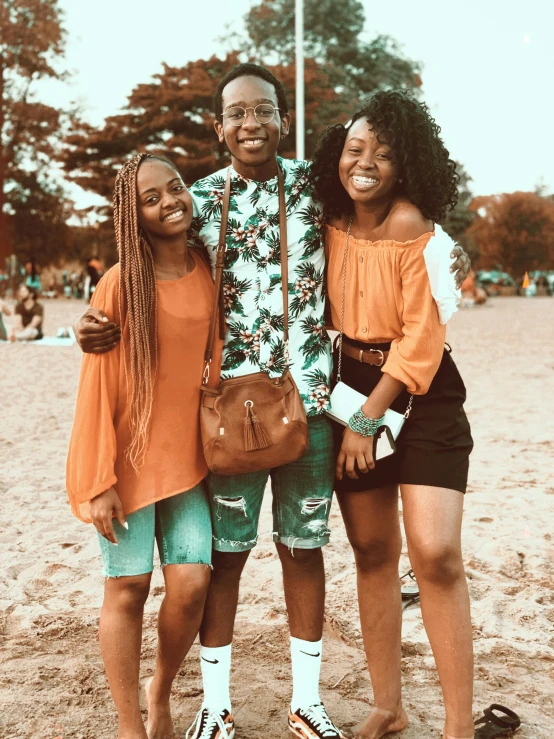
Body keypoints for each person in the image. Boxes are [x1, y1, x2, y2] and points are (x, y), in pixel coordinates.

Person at [73, 64, 471, 739]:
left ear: (284, 118)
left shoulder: (320, 192)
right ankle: (217, 703)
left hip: (316, 406)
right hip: (226, 414)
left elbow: (390, 224)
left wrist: (450, 250)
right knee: (226, 556)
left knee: (302, 549)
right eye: (237, 113)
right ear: (219, 125)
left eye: (264, 110)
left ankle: (308, 700)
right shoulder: (196, 200)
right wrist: (94, 316)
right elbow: (143, 254)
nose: (251, 123)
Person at [311, 91, 475, 739]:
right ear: (338, 155)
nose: (366, 161)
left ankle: (458, 725)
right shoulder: (323, 222)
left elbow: (421, 340)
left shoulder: (411, 226)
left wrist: (366, 421)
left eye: (383, 153)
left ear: (406, 166)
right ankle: (390, 705)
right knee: (373, 551)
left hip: (420, 393)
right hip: (349, 381)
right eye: (356, 148)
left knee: (435, 553)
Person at [67, 153, 220, 739]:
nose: (169, 202)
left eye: (174, 188)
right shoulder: (118, 284)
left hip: (190, 460)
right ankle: (132, 726)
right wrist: (97, 480)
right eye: (150, 198)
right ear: (134, 216)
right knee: (127, 587)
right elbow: (97, 388)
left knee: (190, 584)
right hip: (126, 461)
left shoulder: (211, 267)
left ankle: (161, 687)